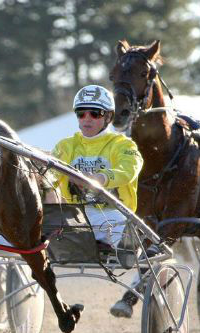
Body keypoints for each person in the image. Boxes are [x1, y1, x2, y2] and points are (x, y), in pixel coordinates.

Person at [45, 84, 143, 260]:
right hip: (75, 216)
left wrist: (100, 178)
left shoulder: (124, 145)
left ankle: (130, 245)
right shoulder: (65, 146)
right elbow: (49, 177)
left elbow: (128, 170)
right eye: (81, 113)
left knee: (117, 227)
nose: (86, 119)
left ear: (109, 116)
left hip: (115, 216)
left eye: (95, 113)